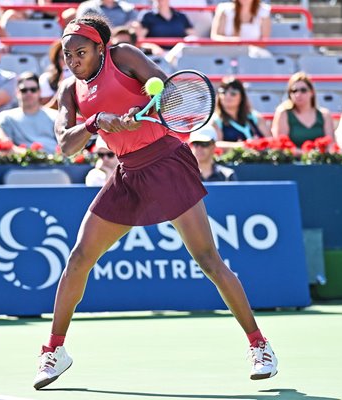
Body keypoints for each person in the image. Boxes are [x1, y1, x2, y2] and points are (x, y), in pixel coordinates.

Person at [33, 15, 278, 390]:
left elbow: (172, 92)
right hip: (127, 173)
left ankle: (259, 345)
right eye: (67, 55)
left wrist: (146, 105)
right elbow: (66, 144)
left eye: (80, 52)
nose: (73, 60)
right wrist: (98, 122)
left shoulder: (125, 56)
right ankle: (54, 350)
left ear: (101, 48)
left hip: (166, 161)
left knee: (208, 260)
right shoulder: (70, 91)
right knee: (80, 257)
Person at [0, 72, 59, 153]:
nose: (29, 93)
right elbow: (5, 147)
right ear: (17, 92)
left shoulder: (56, 116)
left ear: (40, 92)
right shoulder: (6, 117)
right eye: (24, 90)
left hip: (56, 163)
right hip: (19, 163)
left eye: (33, 90)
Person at [271, 72, 334, 148]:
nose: (298, 94)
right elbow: (282, 146)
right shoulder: (283, 113)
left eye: (303, 90)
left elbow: (330, 145)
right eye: (294, 91)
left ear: (312, 92)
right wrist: (305, 154)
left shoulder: (324, 115)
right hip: (293, 159)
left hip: (320, 158)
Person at [210, 77, 270, 150]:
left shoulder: (255, 117)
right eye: (223, 92)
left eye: (233, 93)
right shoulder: (215, 121)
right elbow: (213, 145)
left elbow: (270, 140)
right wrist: (241, 146)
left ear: (242, 97)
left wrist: (258, 144)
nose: (227, 96)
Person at [38, 40, 73, 107]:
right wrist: (61, 88)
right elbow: (46, 110)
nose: (67, 62)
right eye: (63, 58)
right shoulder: (46, 79)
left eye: (70, 56)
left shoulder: (86, 78)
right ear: (56, 60)